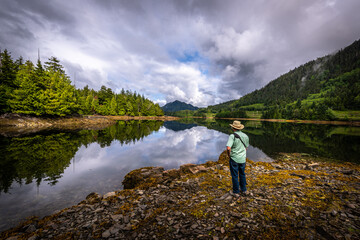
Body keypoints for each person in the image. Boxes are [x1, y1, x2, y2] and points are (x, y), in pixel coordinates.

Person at [226, 120, 249, 197]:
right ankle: (244, 190)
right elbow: (246, 148)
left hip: (234, 159)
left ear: (233, 128)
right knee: (242, 174)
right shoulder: (246, 136)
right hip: (243, 159)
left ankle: (236, 192)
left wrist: (229, 155)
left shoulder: (232, 136)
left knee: (235, 175)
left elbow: (228, 148)